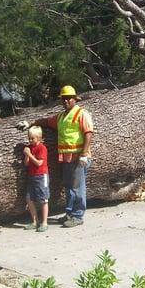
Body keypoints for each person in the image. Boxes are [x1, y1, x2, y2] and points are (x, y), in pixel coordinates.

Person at [16, 85, 93, 228]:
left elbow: (88, 133)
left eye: (68, 98)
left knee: (78, 187)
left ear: (74, 99)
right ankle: (69, 213)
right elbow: (46, 121)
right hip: (66, 157)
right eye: (63, 99)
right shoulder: (61, 117)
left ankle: (78, 216)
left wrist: (84, 154)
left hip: (78, 158)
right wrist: (31, 124)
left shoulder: (81, 114)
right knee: (69, 186)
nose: (65, 101)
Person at [23, 126, 50, 232]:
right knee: (29, 198)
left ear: (39, 138)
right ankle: (35, 221)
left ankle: (44, 222)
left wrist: (29, 154)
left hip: (41, 175)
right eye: (29, 138)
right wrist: (26, 155)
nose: (30, 140)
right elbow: (26, 163)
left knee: (43, 199)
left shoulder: (42, 148)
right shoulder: (30, 147)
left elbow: (39, 163)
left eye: (32, 138)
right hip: (31, 176)